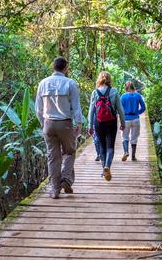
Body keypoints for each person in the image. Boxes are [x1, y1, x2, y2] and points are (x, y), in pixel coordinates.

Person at [35, 57, 82, 199]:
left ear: (53, 67)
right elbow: (76, 106)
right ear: (65, 68)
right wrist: (78, 123)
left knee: (53, 157)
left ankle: (55, 190)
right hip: (65, 124)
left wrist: (43, 123)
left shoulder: (43, 83)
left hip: (48, 123)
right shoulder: (70, 83)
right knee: (69, 152)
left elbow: (38, 109)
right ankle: (66, 179)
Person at [87, 71, 125, 181]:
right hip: (111, 122)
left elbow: (91, 111)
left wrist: (90, 126)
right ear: (109, 79)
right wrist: (123, 123)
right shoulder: (114, 91)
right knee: (110, 146)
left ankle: (104, 168)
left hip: (98, 123)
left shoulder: (95, 92)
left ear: (99, 79)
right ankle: (108, 166)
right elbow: (120, 109)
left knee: (102, 147)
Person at [120, 81, 146, 161]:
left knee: (124, 136)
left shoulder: (123, 96)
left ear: (126, 87)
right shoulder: (138, 95)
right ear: (133, 87)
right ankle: (133, 157)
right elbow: (143, 107)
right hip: (135, 119)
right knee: (134, 138)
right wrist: (137, 112)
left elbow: (120, 109)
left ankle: (126, 152)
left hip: (126, 119)